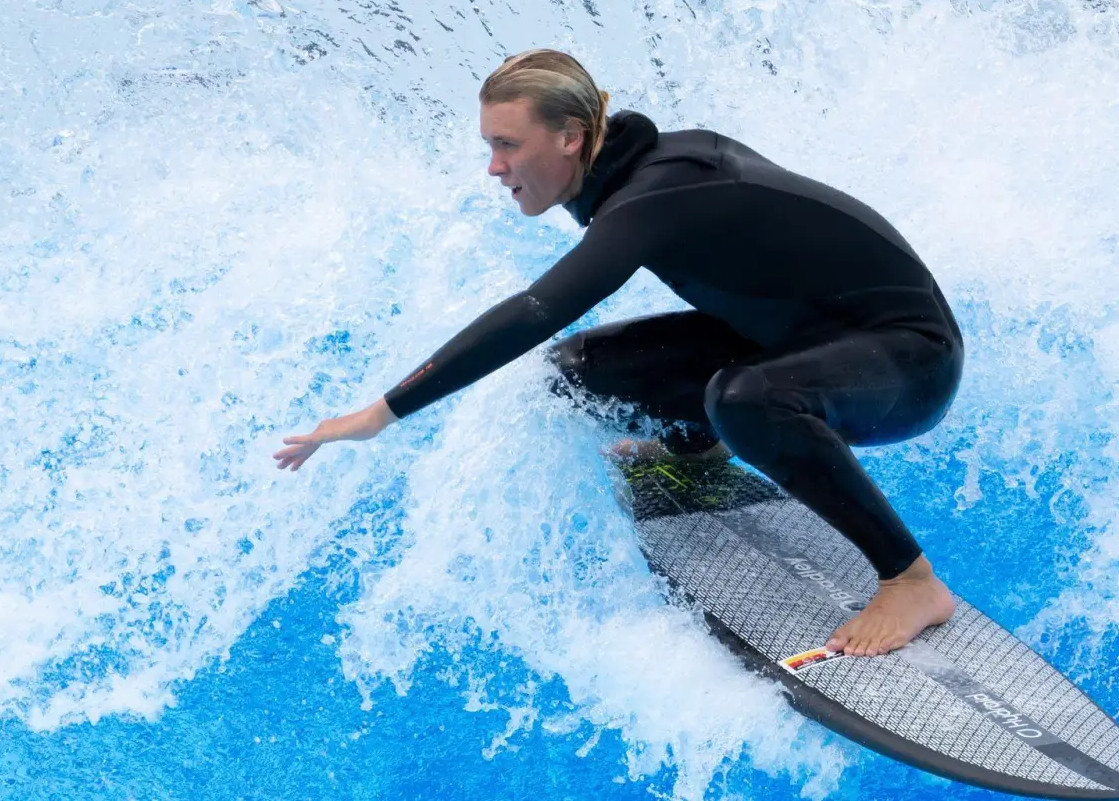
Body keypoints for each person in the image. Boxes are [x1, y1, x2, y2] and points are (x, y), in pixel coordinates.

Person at [273, 49, 964, 657]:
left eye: (508, 145)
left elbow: (534, 312)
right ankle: (703, 445)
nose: (494, 167)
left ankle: (910, 580)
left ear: (571, 137)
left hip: (908, 361)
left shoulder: (656, 192)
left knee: (747, 398)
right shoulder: (635, 178)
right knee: (579, 375)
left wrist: (379, 414)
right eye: (489, 145)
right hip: (799, 337)